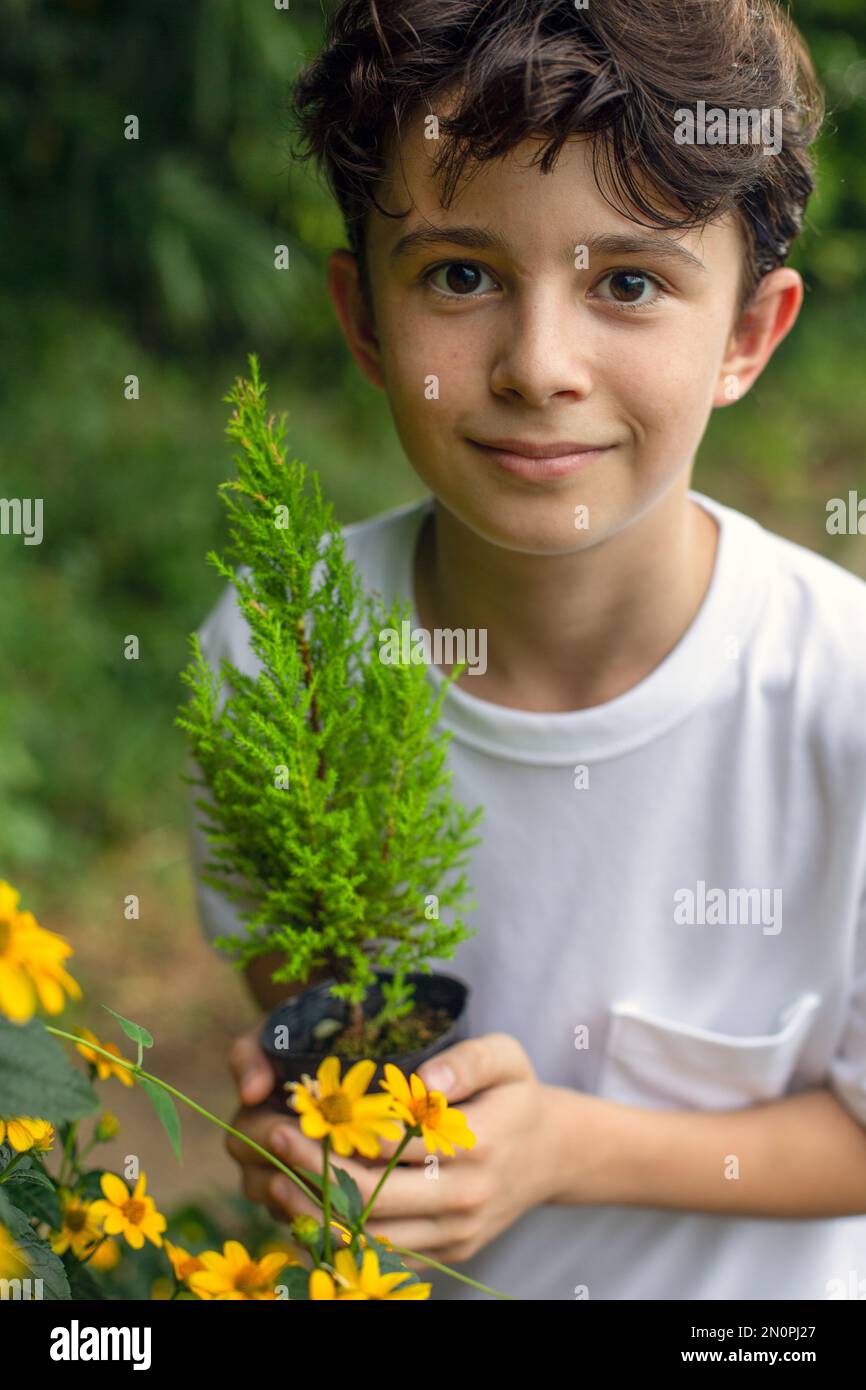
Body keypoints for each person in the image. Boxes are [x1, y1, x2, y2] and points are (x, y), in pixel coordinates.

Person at [189, 0, 866, 1299]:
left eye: (626, 281)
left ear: (746, 333)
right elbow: (309, 1007)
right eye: (459, 273)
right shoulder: (280, 658)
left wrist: (562, 1146)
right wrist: (306, 1126)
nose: (536, 364)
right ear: (364, 316)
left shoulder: (839, 696)